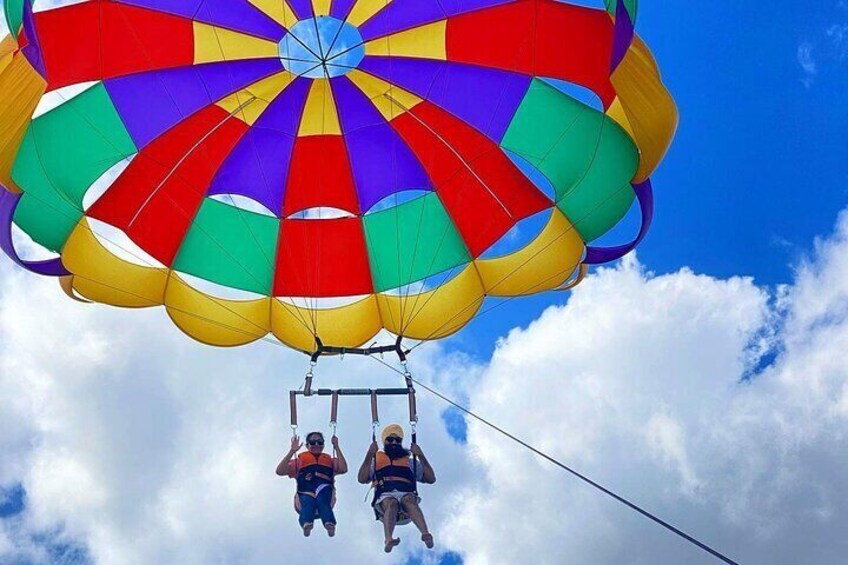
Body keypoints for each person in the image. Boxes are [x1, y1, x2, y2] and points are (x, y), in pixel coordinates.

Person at [357, 424, 436, 553]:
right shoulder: (376, 461)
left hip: (406, 492)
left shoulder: (409, 462)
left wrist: (421, 455)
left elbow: (431, 478)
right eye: (390, 440)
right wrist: (369, 454)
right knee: (391, 503)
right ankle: (388, 539)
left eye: (397, 440)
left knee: (408, 499)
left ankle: (425, 533)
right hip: (385, 494)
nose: (394, 442)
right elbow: (362, 478)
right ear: (384, 442)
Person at [276, 431, 348, 537]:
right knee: (308, 502)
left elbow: (343, 468)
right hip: (306, 492)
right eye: (313, 442)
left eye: (320, 442)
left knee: (322, 499)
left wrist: (336, 447)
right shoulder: (300, 461)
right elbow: (280, 471)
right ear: (307, 445)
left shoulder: (329, 461)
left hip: (324, 491)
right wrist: (292, 451)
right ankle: (306, 524)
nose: (316, 445)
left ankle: (329, 524)